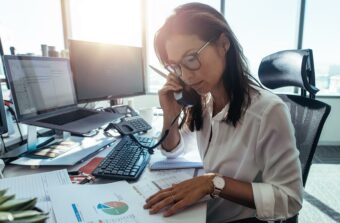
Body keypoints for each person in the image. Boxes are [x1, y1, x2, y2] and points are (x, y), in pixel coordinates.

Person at [144, 2, 303, 223]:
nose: (186, 77)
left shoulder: (267, 111)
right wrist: (170, 115)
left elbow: (290, 200)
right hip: (204, 212)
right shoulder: (206, 100)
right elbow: (173, 152)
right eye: (176, 66)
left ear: (223, 44)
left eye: (191, 58)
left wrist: (214, 182)